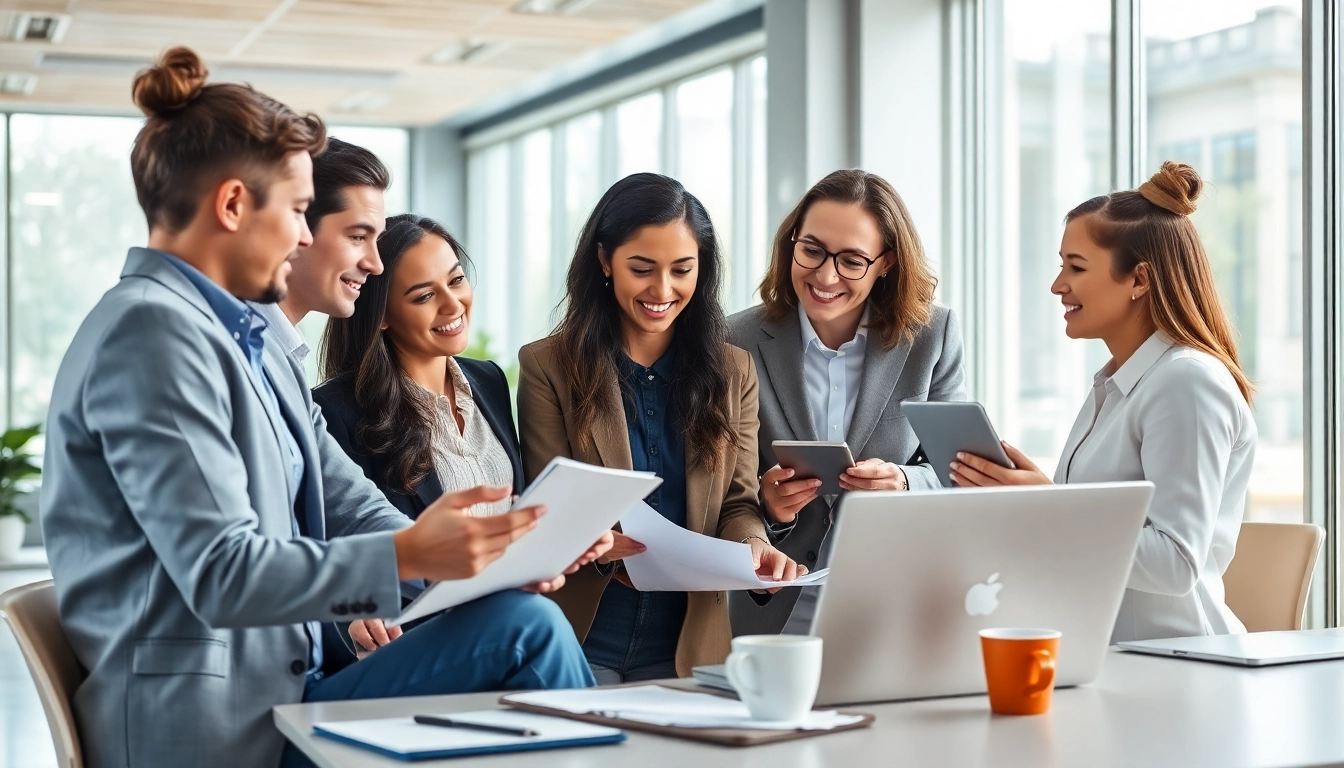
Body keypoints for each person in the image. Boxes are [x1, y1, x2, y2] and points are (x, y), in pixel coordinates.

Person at [40, 47, 602, 768]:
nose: (307, 236)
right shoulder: (152, 331)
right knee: (528, 631)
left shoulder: (253, 344)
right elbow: (221, 571)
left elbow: (352, 504)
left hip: (286, 695)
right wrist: (411, 552)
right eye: (302, 211)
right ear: (235, 204)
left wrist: (490, 558)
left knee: (521, 617)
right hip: (210, 732)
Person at [950, 161, 1255, 644]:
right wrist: (1038, 500)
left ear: (1139, 279)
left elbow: (1175, 564)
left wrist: (1048, 505)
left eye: (1076, 266)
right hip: (1109, 654)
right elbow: (1094, 525)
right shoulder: (1117, 384)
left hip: (1180, 663)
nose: (1057, 284)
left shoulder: (1187, 384)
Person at [517, 172, 801, 683]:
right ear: (604, 261)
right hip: (584, 629)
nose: (662, 290)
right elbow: (549, 502)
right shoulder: (548, 366)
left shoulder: (732, 370)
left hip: (689, 637)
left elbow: (737, 502)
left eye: (682, 270)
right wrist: (594, 536)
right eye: (642, 269)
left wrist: (754, 543)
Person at [727, 169, 967, 636]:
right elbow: (711, 484)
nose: (825, 275)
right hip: (771, 598)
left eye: (852, 260)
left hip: (892, 597)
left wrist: (902, 481)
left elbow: (958, 470)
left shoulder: (931, 336)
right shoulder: (733, 340)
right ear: (791, 242)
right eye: (811, 250)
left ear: (886, 263)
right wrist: (769, 503)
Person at [312, 213, 529, 657]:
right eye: (424, 295)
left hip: (507, 625)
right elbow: (323, 544)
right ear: (383, 315)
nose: (453, 304)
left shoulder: (488, 381)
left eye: (456, 280)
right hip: (418, 646)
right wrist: (349, 611)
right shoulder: (337, 410)